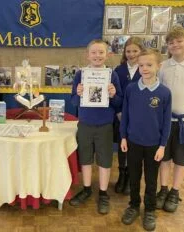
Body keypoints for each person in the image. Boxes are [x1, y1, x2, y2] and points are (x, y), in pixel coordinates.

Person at [120, 49, 172, 231]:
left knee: (151, 180)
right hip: (133, 142)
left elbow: (166, 122)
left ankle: (149, 209)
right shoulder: (131, 89)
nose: (144, 68)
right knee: (134, 177)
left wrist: (162, 145)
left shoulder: (164, 93)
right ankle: (133, 205)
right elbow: (125, 115)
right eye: (141, 65)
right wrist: (123, 137)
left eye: (149, 65)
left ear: (159, 66)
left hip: (154, 145)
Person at [70, 40, 123, 214]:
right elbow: (73, 101)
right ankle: (86, 190)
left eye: (101, 52)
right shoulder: (81, 74)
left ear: (107, 54)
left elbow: (118, 103)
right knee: (85, 158)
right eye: (94, 52)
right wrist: (78, 94)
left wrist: (114, 94)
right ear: (87, 55)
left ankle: (103, 193)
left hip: (105, 125)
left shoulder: (112, 75)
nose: (97, 56)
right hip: (85, 123)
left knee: (105, 160)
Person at [157, 26, 184, 213]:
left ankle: (175, 191)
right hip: (165, 121)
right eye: (171, 42)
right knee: (164, 158)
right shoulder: (163, 66)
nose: (175, 45)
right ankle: (163, 189)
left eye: (179, 41)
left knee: (181, 159)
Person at [113, 37, 144, 195]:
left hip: (139, 118)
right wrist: (119, 112)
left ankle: (132, 177)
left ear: (141, 52)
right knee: (122, 146)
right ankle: (122, 175)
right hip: (121, 116)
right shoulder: (118, 70)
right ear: (124, 53)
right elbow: (114, 94)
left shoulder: (145, 68)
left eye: (135, 51)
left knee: (136, 148)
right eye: (128, 51)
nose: (131, 54)